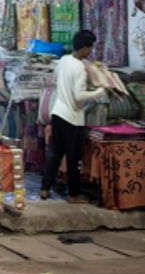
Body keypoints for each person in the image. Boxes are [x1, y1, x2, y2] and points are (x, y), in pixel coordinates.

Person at [43, 29, 106, 203]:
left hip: (58, 112)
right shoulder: (80, 68)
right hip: (72, 118)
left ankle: (45, 188)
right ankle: (73, 194)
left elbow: (60, 79)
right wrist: (99, 91)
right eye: (90, 48)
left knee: (54, 153)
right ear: (85, 48)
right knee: (73, 158)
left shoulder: (63, 61)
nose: (91, 52)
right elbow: (79, 97)